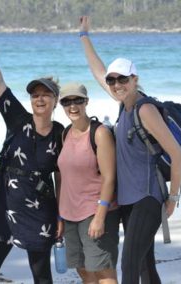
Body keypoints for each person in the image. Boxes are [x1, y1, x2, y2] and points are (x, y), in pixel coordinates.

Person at [77, 16, 181, 283]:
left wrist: (172, 198)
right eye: (113, 81)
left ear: (134, 78)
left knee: (128, 265)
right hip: (128, 200)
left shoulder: (144, 109)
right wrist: (84, 36)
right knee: (144, 266)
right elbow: (98, 71)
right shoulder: (123, 105)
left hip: (147, 197)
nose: (116, 85)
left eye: (122, 79)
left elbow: (178, 155)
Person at [0, 26, 64, 284]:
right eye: (35, 95)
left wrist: (61, 215)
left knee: (41, 277)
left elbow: (62, 177)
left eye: (45, 95)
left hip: (40, 212)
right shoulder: (17, 120)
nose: (39, 99)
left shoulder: (61, 134)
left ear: (55, 100)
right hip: (5, 209)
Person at [58, 82, 119, 283]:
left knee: (103, 271)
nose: (72, 106)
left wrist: (100, 217)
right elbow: (63, 177)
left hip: (95, 212)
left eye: (78, 100)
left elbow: (109, 177)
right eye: (67, 101)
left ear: (86, 102)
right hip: (70, 215)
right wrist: (60, 215)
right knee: (83, 269)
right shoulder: (65, 133)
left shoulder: (100, 133)